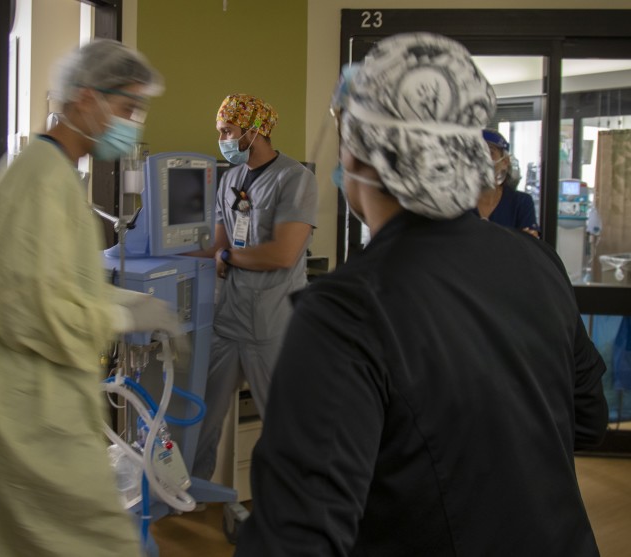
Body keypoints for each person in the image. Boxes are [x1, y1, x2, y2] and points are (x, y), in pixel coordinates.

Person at [235, 33, 608, 556]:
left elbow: (297, 535)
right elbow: (588, 422)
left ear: (363, 156)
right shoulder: (536, 262)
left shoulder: (348, 310)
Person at [0, 40, 181, 557]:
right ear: (85, 99)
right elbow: (28, 310)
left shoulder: (53, 173)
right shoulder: (42, 178)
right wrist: (118, 313)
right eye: (126, 107)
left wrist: (121, 306)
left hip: (33, 397)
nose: (132, 122)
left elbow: (52, 283)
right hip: (23, 410)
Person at [191, 93, 318, 482]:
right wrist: (157, 255)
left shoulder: (295, 179)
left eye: (228, 131)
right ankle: (192, 492)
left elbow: (283, 254)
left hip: (271, 323)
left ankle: (300, 505)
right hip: (228, 319)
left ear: (254, 130)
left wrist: (228, 259)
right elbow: (216, 245)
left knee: (284, 423)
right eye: (219, 132)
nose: (223, 140)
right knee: (202, 416)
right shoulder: (229, 178)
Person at [472, 128, 540, 237]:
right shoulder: (457, 204)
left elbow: (528, 247)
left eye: (490, 152)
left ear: (505, 162)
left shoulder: (521, 203)